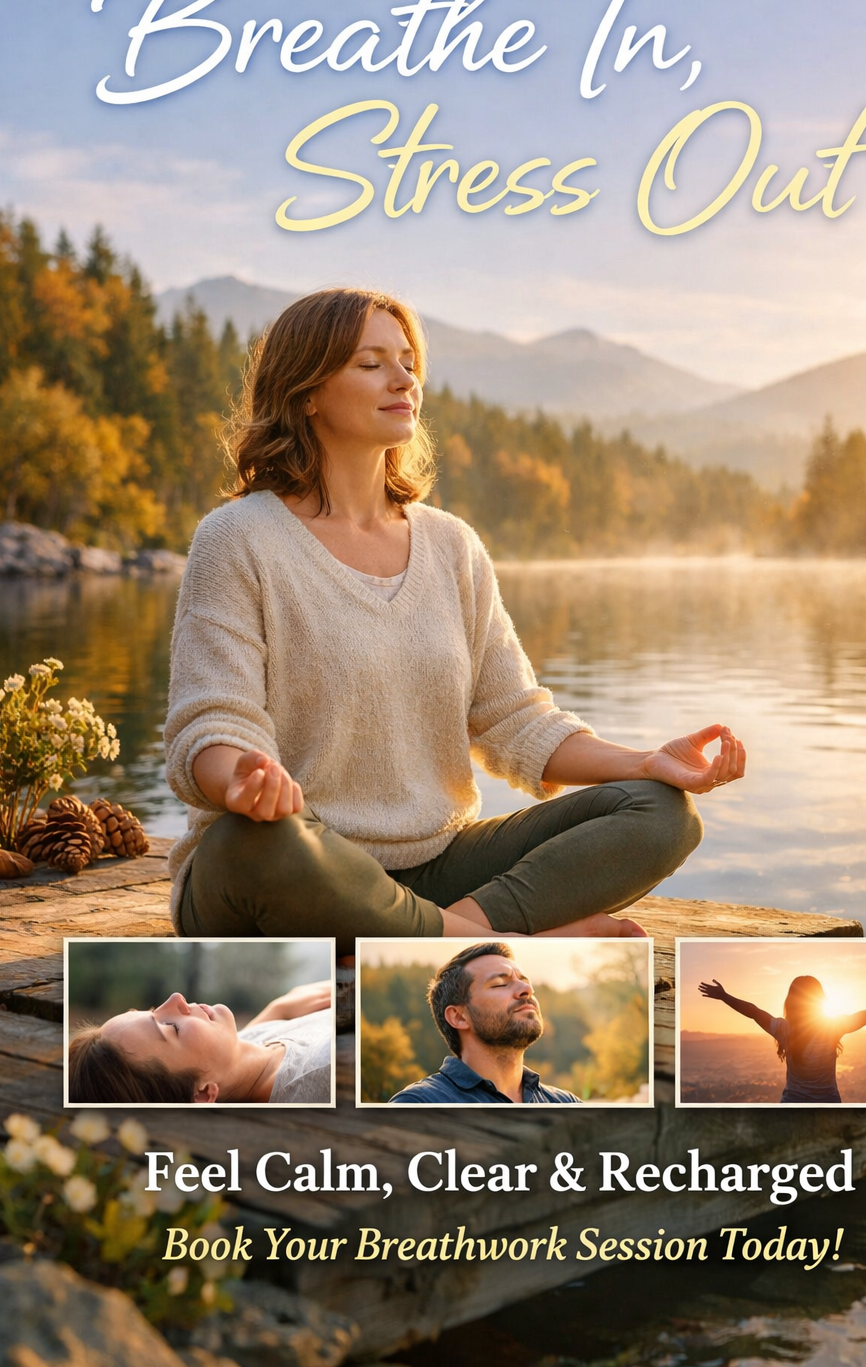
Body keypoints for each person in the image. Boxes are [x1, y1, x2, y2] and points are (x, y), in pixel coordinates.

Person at [165, 288, 746, 952]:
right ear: (307, 393)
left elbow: (516, 721)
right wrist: (242, 778)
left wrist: (644, 760)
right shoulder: (239, 538)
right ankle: (498, 946)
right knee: (254, 845)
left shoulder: (451, 546)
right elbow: (212, 722)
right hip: (289, 865)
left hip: (433, 871)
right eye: (371, 363)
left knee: (659, 813)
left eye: (409, 362)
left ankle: (438, 937)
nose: (403, 379)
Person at [68, 981, 333, 1105]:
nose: (176, 998)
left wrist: (280, 1009)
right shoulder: (324, 1070)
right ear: (203, 1093)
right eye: (171, 1028)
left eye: (152, 1010)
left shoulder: (240, 1055)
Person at [389, 942, 579, 1104]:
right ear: (459, 1017)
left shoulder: (568, 1104)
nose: (526, 989)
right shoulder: (419, 1104)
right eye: (499, 984)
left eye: (525, 982)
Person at [698, 973, 866, 1103]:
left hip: (792, 1103)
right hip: (828, 1102)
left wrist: (724, 996)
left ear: (791, 1001)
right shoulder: (832, 1027)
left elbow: (753, 1011)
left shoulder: (783, 1029)